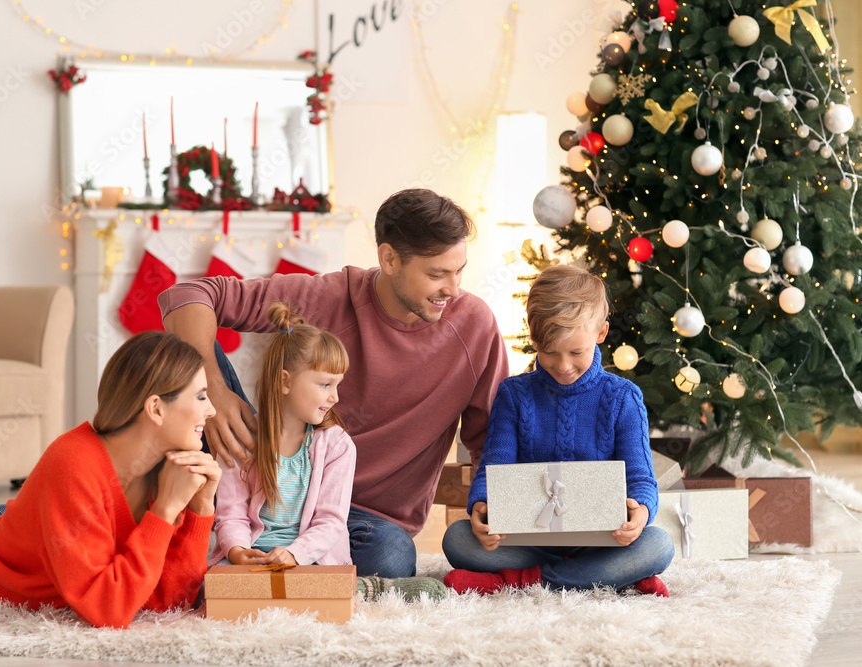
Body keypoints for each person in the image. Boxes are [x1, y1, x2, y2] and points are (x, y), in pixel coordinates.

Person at [160, 188, 509, 578]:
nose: (453, 289)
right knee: (181, 358)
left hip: (364, 521)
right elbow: (187, 295)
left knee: (392, 560)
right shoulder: (328, 297)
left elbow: (492, 436)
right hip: (267, 490)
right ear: (389, 258)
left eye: (459, 270)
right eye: (436, 274)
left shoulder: (474, 326)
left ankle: (251, 556)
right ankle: (218, 534)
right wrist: (214, 394)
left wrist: (488, 506)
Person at [0, 331, 221, 628]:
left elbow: (169, 600)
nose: (212, 410)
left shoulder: (169, 469)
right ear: (156, 408)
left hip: (17, 531)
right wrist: (167, 510)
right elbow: (108, 611)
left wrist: (202, 508)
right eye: (201, 396)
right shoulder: (74, 462)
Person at [441, 265, 674, 597]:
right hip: (530, 540)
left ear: (601, 332)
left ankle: (517, 581)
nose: (563, 366)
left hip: (601, 541)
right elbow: (495, 468)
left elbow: (641, 479)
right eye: (548, 351)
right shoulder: (513, 395)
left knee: (658, 546)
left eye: (576, 352)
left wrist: (641, 514)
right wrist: (481, 505)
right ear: (533, 338)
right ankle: (611, 578)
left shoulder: (624, 398)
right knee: (458, 539)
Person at [209, 303, 445, 601]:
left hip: (310, 560)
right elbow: (230, 515)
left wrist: (294, 554)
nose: (334, 397)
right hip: (252, 560)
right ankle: (357, 591)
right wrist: (238, 551)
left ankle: (358, 587)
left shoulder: (337, 445)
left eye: (337, 385)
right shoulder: (242, 439)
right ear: (285, 381)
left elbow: (330, 521)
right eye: (325, 384)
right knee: (207, 588)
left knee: (373, 562)